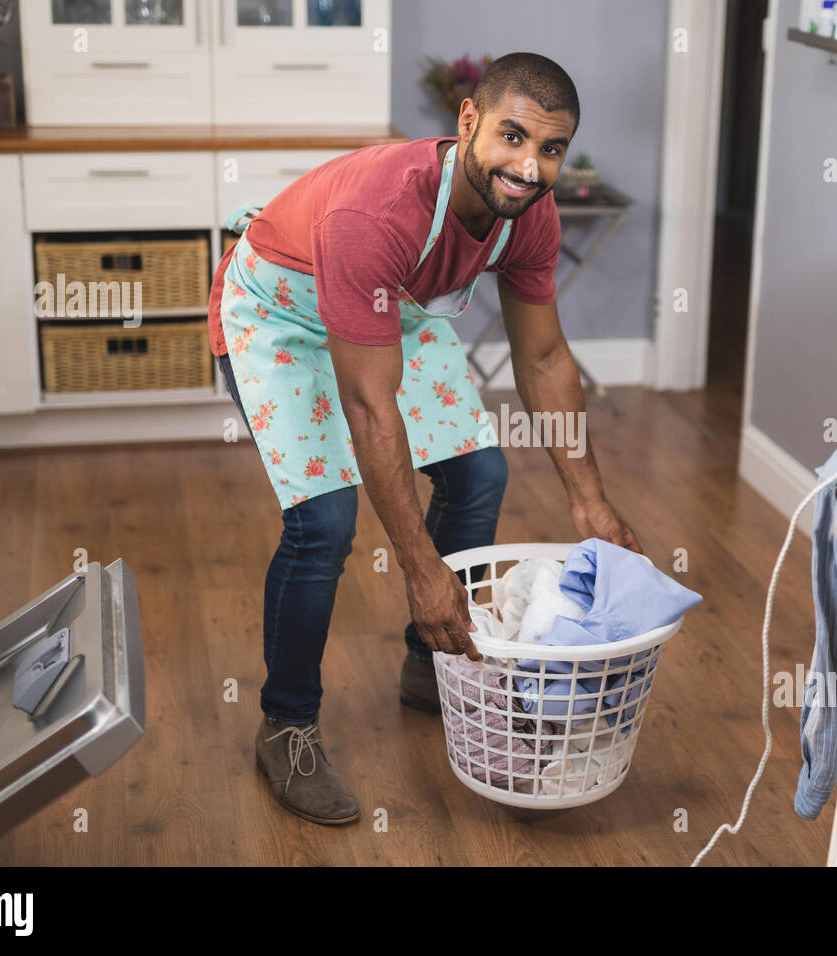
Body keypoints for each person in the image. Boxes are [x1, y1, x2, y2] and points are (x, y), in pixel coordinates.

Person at [206, 51, 641, 826]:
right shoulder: (376, 214)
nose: (529, 167)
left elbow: (542, 356)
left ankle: (428, 666)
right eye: (512, 137)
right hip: (281, 308)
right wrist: (421, 566)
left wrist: (591, 501)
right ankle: (288, 726)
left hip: (383, 306)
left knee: (478, 473)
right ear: (468, 121)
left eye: (550, 149)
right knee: (325, 520)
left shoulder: (528, 213)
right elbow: (372, 411)